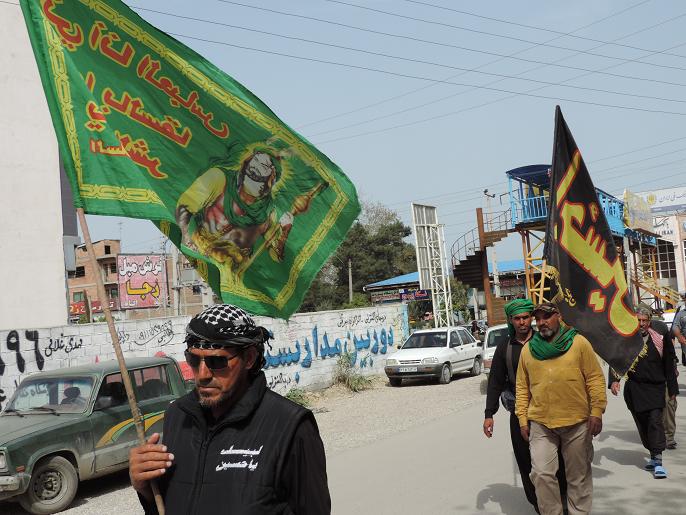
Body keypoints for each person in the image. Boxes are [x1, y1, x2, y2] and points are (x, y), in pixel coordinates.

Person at [129, 304, 331, 514]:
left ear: (249, 358)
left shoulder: (290, 425)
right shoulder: (178, 416)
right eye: (194, 360)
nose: (202, 374)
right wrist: (145, 488)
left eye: (217, 361)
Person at [515, 302, 606, 515]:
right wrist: (522, 419)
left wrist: (597, 411)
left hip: (577, 423)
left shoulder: (579, 343)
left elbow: (595, 378)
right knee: (541, 474)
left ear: (558, 316)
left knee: (578, 476)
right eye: (538, 318)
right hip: (541, 423)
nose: (542, 322)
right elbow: (522, 387)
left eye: (546, 317)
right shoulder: (529, 350)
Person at [483, 299, 566, 513]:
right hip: (520, 414)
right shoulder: (505, 347)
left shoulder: (545, 340)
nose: (522, 322)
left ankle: (562, 501)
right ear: (511, 320)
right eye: (517, 318)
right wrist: (489, 414)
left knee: (557, 461)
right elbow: (495, 382)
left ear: (532, 319)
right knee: (526, 463)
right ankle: (540, 505)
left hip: (549, 412)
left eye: (526, 317)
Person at [610, 306, 678, 478]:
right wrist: (614, 381)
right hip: (634, 389)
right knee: (643, 425)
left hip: (656, 388)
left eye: (644, 321)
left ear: (649, 321)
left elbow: (669, 362)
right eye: (638, 320)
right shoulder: (626, 339)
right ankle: (653, 455)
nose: (641, 324)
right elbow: (617, 360)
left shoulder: (659, 337)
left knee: (655, 422)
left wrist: (672, 388)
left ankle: (658, 460)